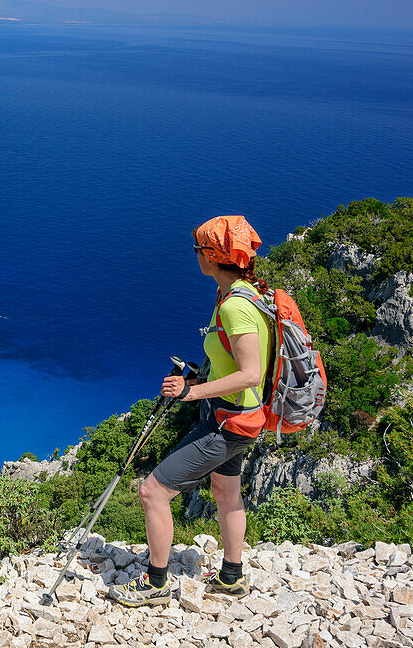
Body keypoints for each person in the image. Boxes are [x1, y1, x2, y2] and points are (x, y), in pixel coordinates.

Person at [108, 215, 272, 607]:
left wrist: (191, 392)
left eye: (199, 249)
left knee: (152, 492)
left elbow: (250, 374)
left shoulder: (236, 307)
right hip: (244, 418)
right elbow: (239, 367)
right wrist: (200, 382)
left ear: (213, 257)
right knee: (225, 490)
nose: (196, 255)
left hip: (226, 422)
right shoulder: (246, 293)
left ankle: (156, 582)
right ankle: (231, 577)